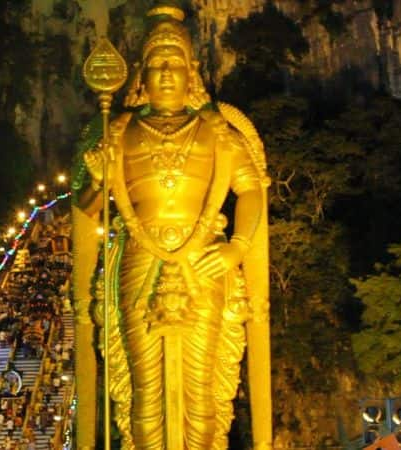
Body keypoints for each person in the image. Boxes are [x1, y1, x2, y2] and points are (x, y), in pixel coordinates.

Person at [72, 4, 270, 449]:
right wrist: (99, 180)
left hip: (204, 260)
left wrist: (237, 247)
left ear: (192, 71)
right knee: (144, 390)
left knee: (201, 390)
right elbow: (88, 209)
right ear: (141, 73)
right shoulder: (119, 131)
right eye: (157, 65)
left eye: (175, 65)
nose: (166, 74)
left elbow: (252, 188)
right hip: (139, 259)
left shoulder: (217, 131)